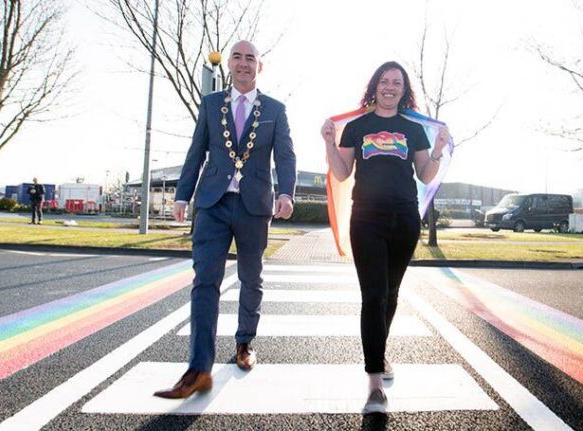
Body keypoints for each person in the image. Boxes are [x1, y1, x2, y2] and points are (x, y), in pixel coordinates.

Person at [154, 40, 296, 399]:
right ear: (229, 65)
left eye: (251, 58)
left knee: (251, 278)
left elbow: (286, 156)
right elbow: (196, 151)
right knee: (205, 281)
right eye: (237, 57)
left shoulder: (275, 110)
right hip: (212, 204)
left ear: (259, 66)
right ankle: (198, 368)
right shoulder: (210, 103)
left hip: (253, 206)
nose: (244, 63)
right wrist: (183, 195)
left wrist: (286, 193)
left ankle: (244, 343)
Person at [322, 61, 450, 414]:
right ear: (374, 86)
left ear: (403, 89)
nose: (390, 86)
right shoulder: (358, 126)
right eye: (384, 81)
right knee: (374, 294)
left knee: (391, 294)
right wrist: (330, 143)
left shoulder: (413, 129)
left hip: (405, 219)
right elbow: (342, 171)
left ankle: (379, 351)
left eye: (396, 82)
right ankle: (375, 383)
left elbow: (426, 175)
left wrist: (438, 149)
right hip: (366, 218)